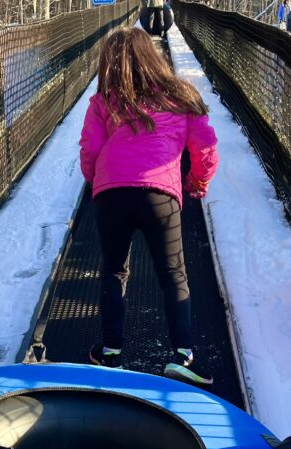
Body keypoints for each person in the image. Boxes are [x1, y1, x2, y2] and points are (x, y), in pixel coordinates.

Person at [79, 28, 220, 386]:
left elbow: (90, 151)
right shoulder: (182, 97)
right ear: (154, 58)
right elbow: (204, 148)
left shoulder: (103, 102)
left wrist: (99, 184)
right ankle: (183, 356)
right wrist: (196, 182)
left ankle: (111, 353)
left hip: (111, 195)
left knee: (114, 270)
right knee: (173, 273)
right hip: (161, 195)